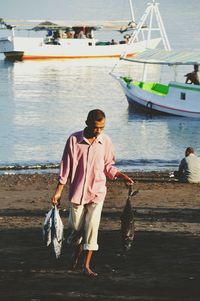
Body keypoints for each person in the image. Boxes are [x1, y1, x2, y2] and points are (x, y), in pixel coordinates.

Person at [51, 109, 134, 276]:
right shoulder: (74, 140)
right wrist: (58, 192)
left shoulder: (105, 141)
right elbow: (65, 168)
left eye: (102, 127)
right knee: (75, 229)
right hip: (77, 192)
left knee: (92, 228)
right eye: (96, 127)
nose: (99, 131)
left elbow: (108, 165)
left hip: (97, 191)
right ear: (87, 123)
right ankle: (77, 251)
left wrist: (121, 175)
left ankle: (86, 266)